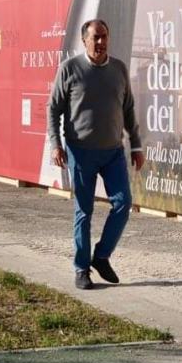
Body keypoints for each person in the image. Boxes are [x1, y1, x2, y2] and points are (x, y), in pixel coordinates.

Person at [47, 19, 145, 290]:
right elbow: (53, 109)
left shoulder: (119, 70)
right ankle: (81, 269)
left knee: (123, 204)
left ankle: (101, 257)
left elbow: (128, 110)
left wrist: (136, 145)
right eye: (95, 38)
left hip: (113, 151)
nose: (100, 43)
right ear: (84, 41)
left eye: (104, 37)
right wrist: (56, 143)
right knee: (84, 212)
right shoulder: (70, 69)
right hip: (80, 151)